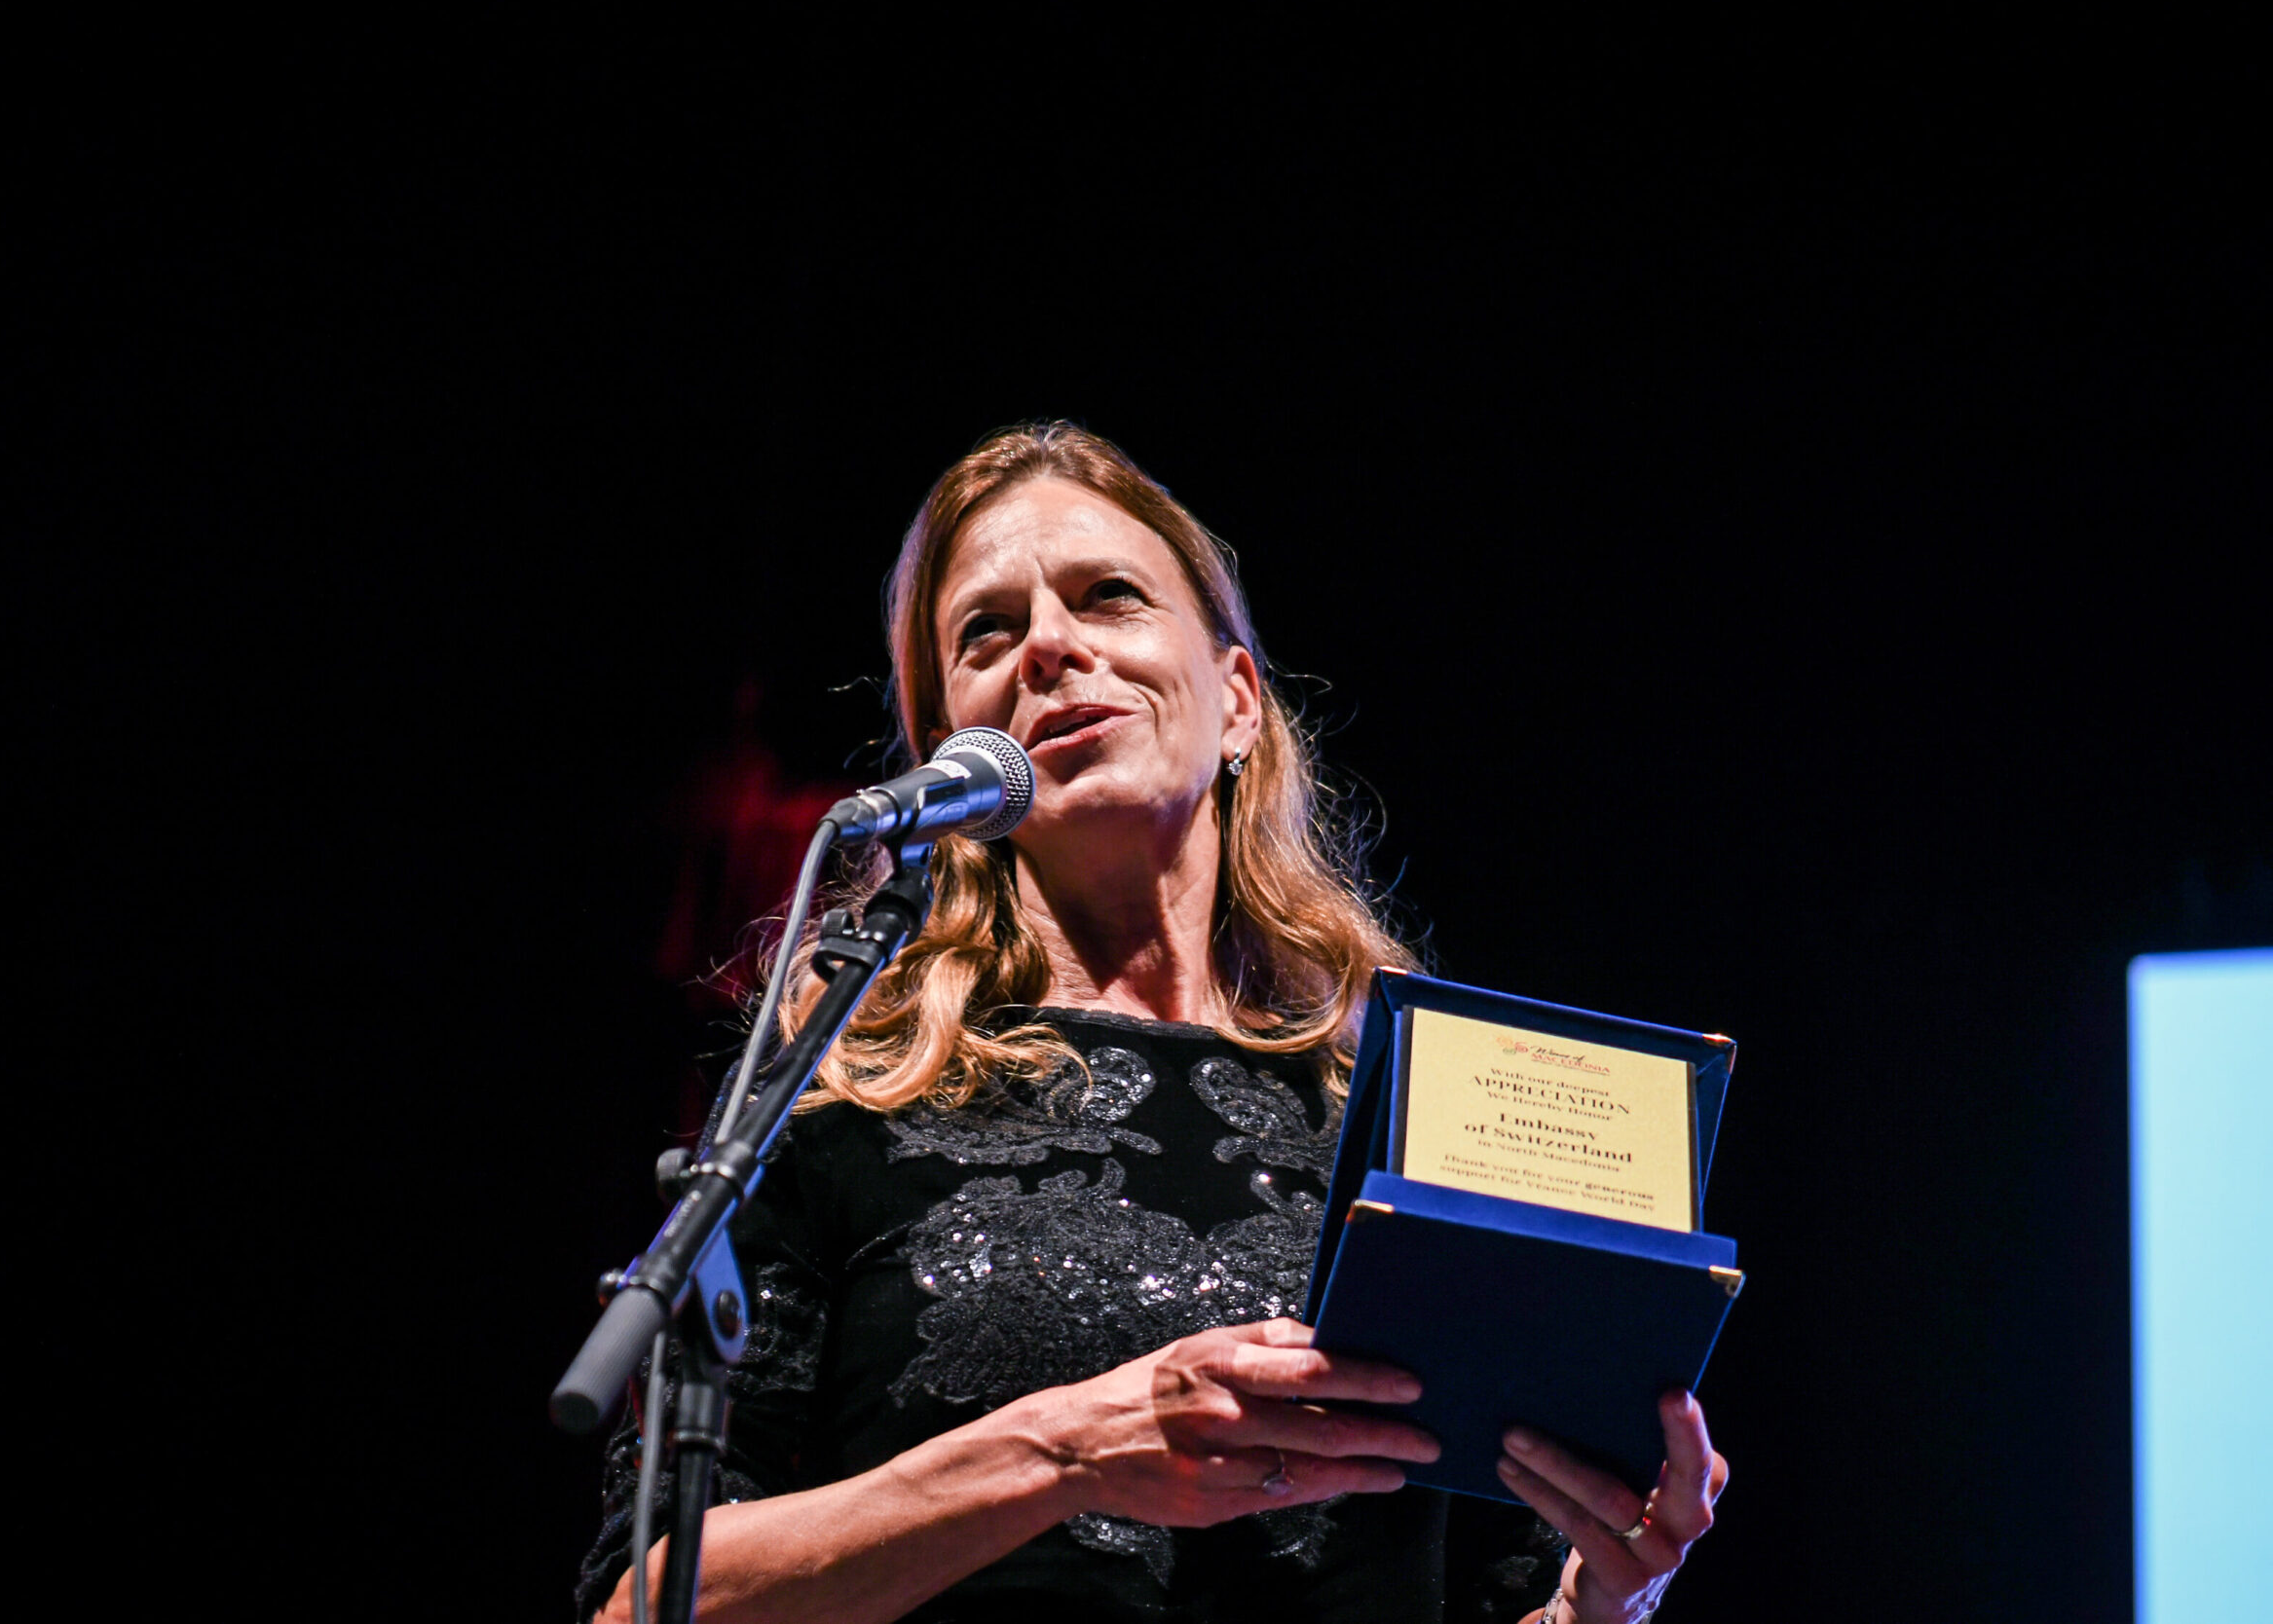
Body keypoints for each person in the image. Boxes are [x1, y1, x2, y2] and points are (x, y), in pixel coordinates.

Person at [579, 424, 1727, 1623]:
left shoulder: (1396, 1114)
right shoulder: (843, 1087)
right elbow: (641, 1600)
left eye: (1108, 596)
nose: (1049, 645)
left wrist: (1603, 1597)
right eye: (986, 631)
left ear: (1236, 700)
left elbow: (1494, 1592)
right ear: (951, 750)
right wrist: (1059, 1450)